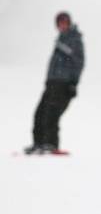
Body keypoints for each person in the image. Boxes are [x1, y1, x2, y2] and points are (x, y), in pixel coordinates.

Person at [24, 12, 85, 154]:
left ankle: (50, 145)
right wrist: (48, 80)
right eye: (59, 22)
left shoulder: (74, 39)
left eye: (65, 22)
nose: (62, 25)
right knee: (40, 113)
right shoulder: (61, 39)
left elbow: (79, 63)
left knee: (52, 113)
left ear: (69, 23)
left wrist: (73, 83)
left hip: (63, 84)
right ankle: (38, 143)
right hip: (52, 83)